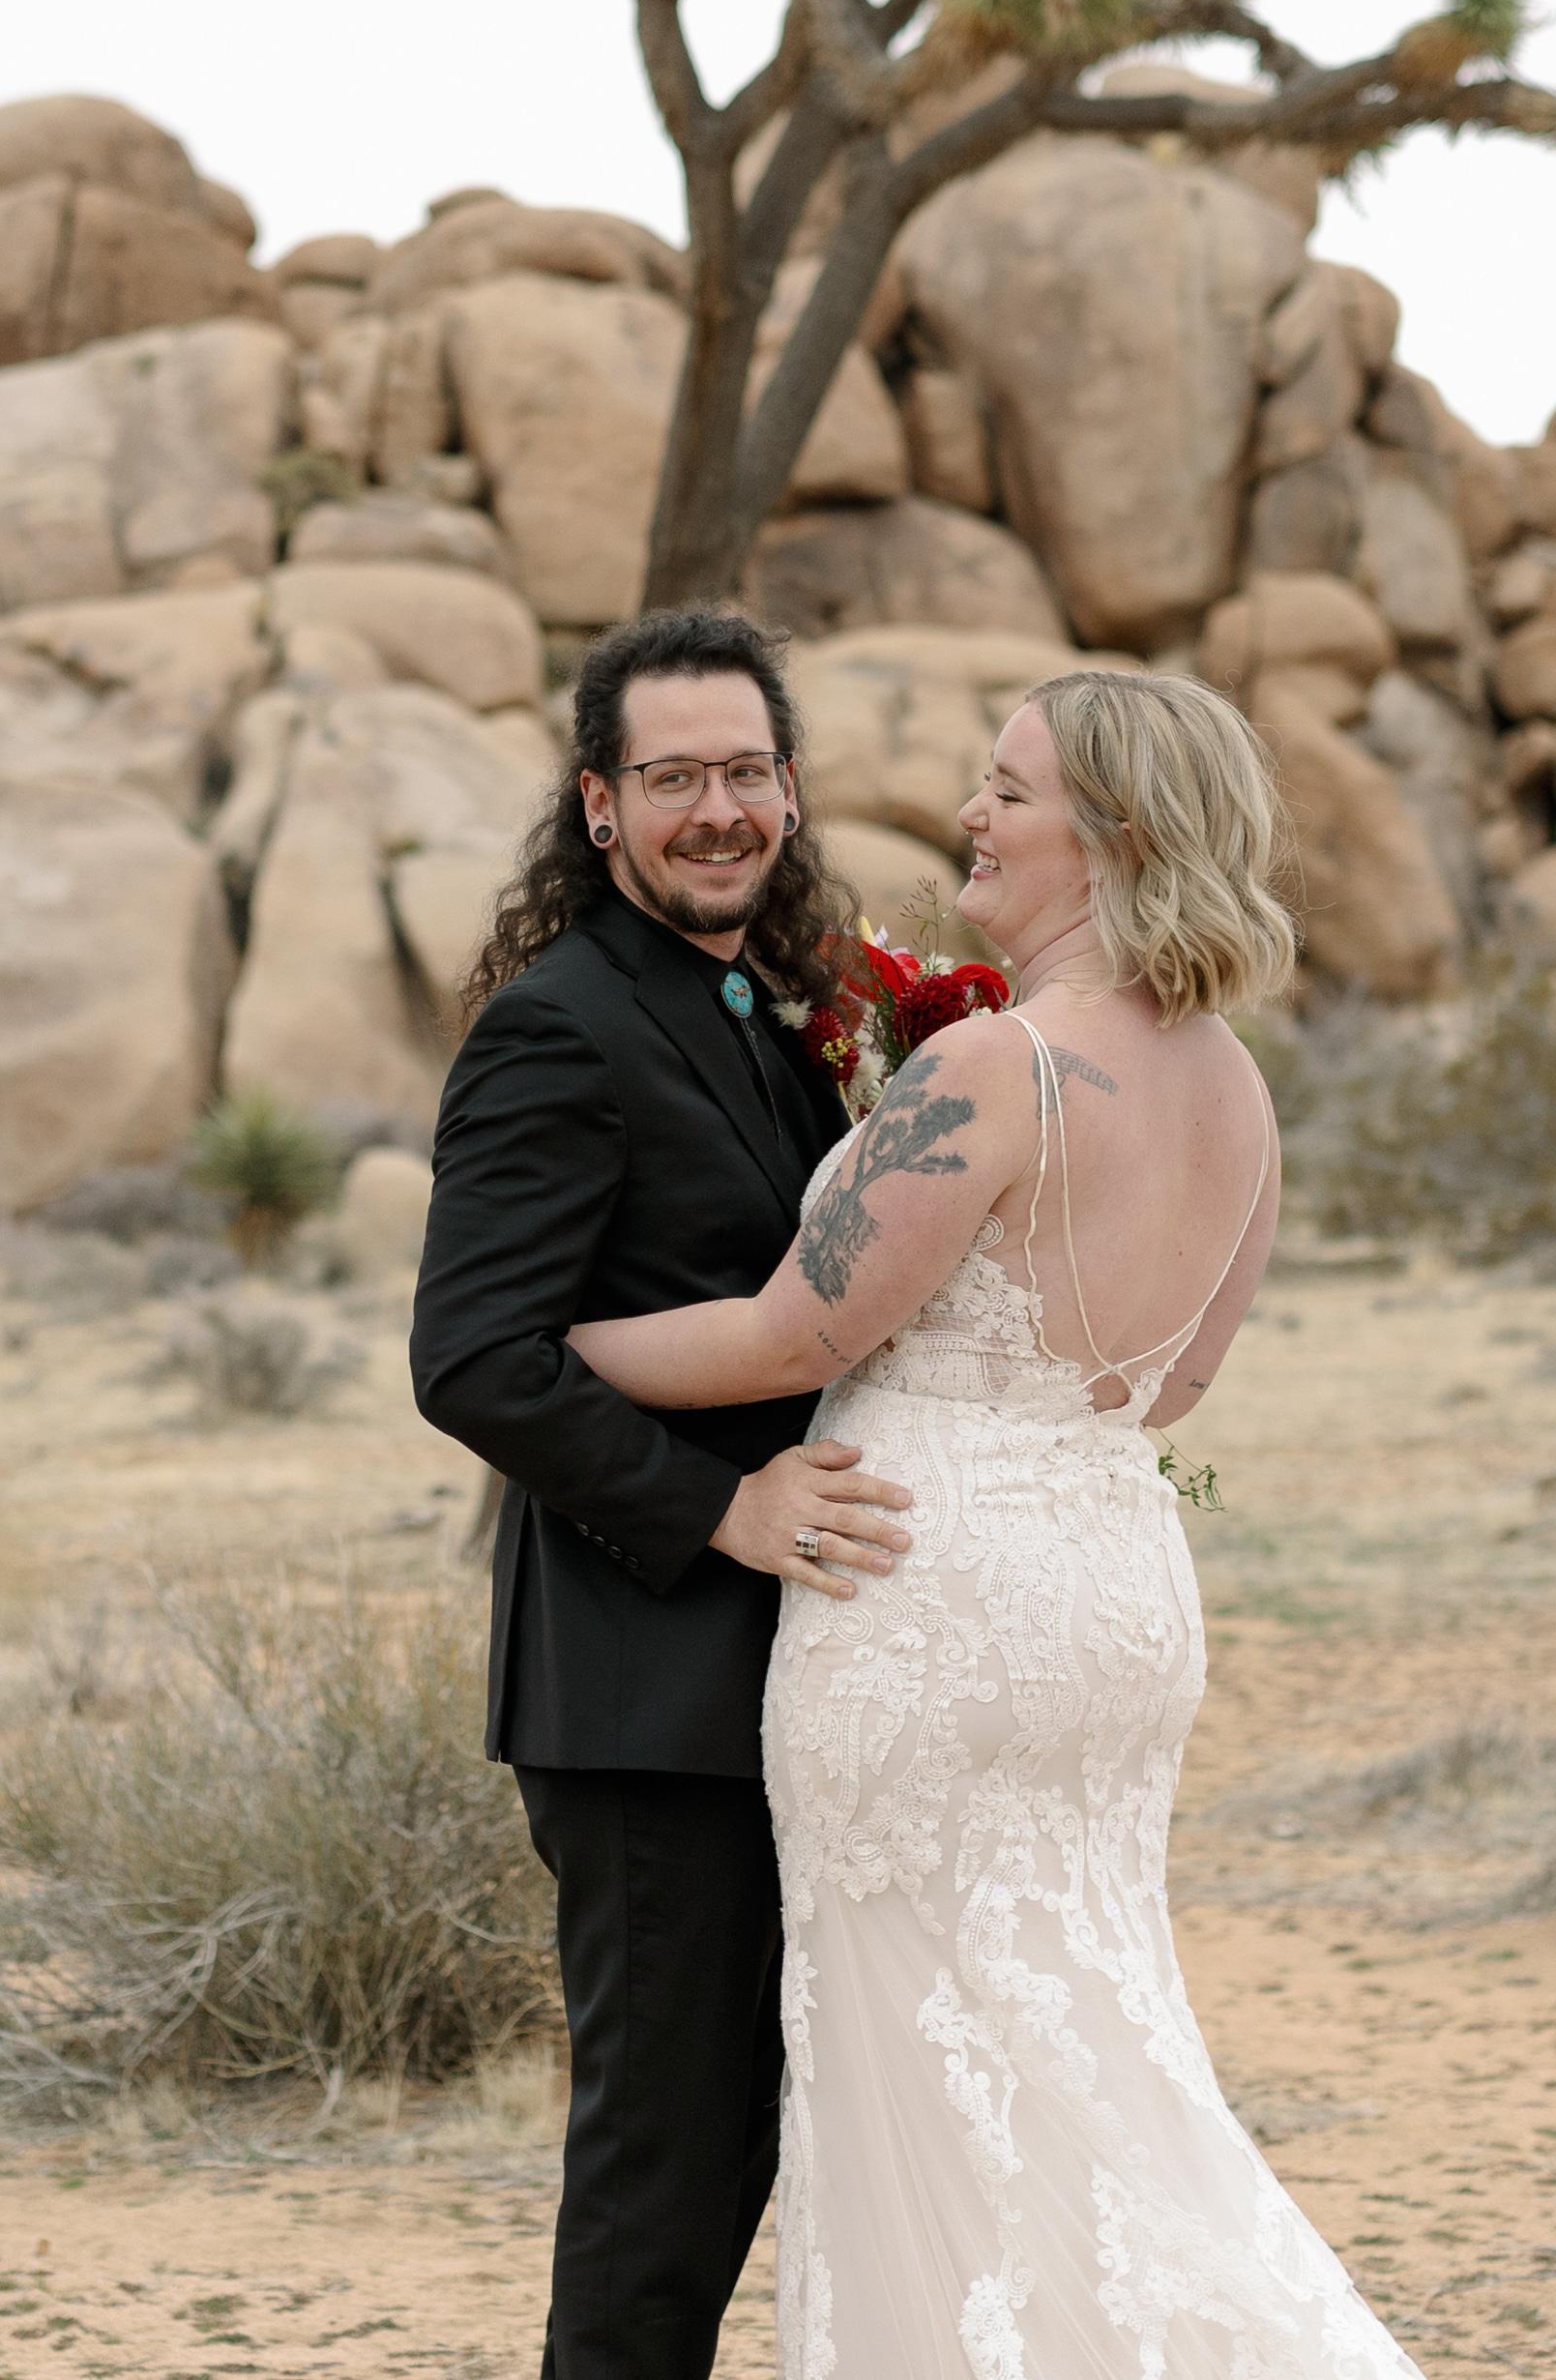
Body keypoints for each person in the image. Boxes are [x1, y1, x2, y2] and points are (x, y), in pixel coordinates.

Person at [566, 666, 1421, 2379]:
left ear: (1110, 835)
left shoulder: (993, 1067)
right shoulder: (1236, 1087)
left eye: (1009, 789)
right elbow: (1173, 1390)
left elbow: (795, 1334)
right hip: (1113, 1593)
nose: (971, 812)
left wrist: (553, 1348)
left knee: (931, 2076)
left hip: (927, 1593)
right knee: (1092, 2047)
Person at [408, 609, 923, 2380]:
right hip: (641, 1695)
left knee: (741, 2148)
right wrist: (720, 1510)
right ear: (600, 803)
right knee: (665, 2176)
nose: (720, 809)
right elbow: (472, 1357)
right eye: (676, 776)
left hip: (774, 1676)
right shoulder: (557, 1028)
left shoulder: (768, 1002)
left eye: (748, 770)